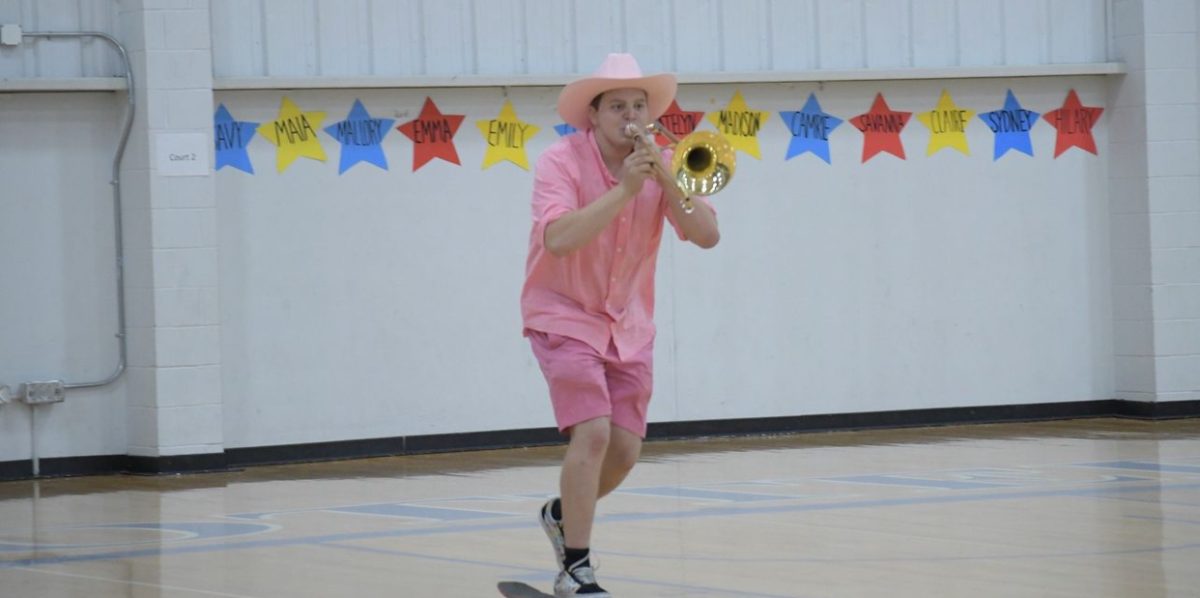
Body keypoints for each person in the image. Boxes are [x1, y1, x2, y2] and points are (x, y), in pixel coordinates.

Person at [520, 53, 721, 597]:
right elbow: (558, 239)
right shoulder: (559, 163)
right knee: (593, 432)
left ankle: (563, 516)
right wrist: (626, 191)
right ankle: (576, 570)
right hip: (562, 314)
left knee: (626, 450)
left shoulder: (663, 160)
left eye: (639, 105)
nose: (630, 116)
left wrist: (667, 180)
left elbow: (706, 235)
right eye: (618, 107)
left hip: (628, 324)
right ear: (594, 114)